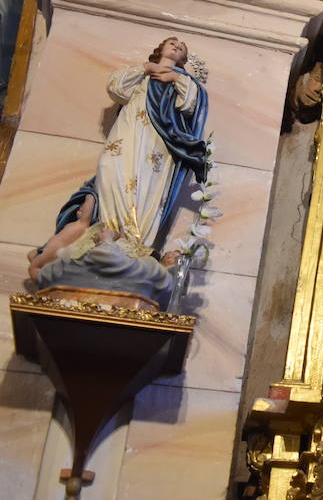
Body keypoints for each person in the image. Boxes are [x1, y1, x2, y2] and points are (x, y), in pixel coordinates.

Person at [27, 36, 209, 307]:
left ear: (183, 59)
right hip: (125, 137)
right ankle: (104, 237)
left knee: (148, 188)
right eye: (172, 43)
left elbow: (189, 104)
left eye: (181, 48)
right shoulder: (142, 75)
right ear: (160, 49)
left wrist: (174, 77)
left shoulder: (183, 81)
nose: (176, 47)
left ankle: (132, 245)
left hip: (157, 145)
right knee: (110, 173)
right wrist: (146, 69)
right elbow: (116, 89)